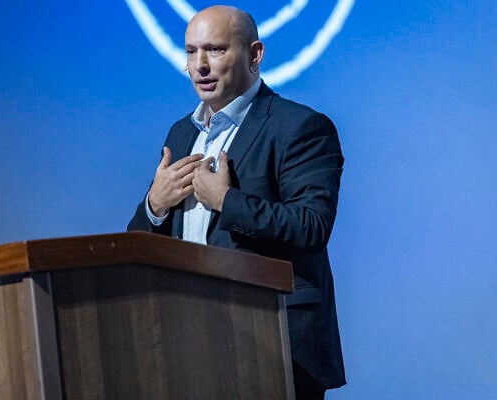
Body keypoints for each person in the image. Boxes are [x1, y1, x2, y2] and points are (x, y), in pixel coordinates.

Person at [128, 5, 345, 399]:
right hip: (190, 338)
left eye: (215, 50)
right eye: (191, 52)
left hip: (273, 341)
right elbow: (141, 243)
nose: (200, 65)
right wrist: (154, 206)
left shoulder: (299, 127)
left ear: (254, 54)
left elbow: (310, 226)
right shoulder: (181, 134)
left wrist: (226, 201)